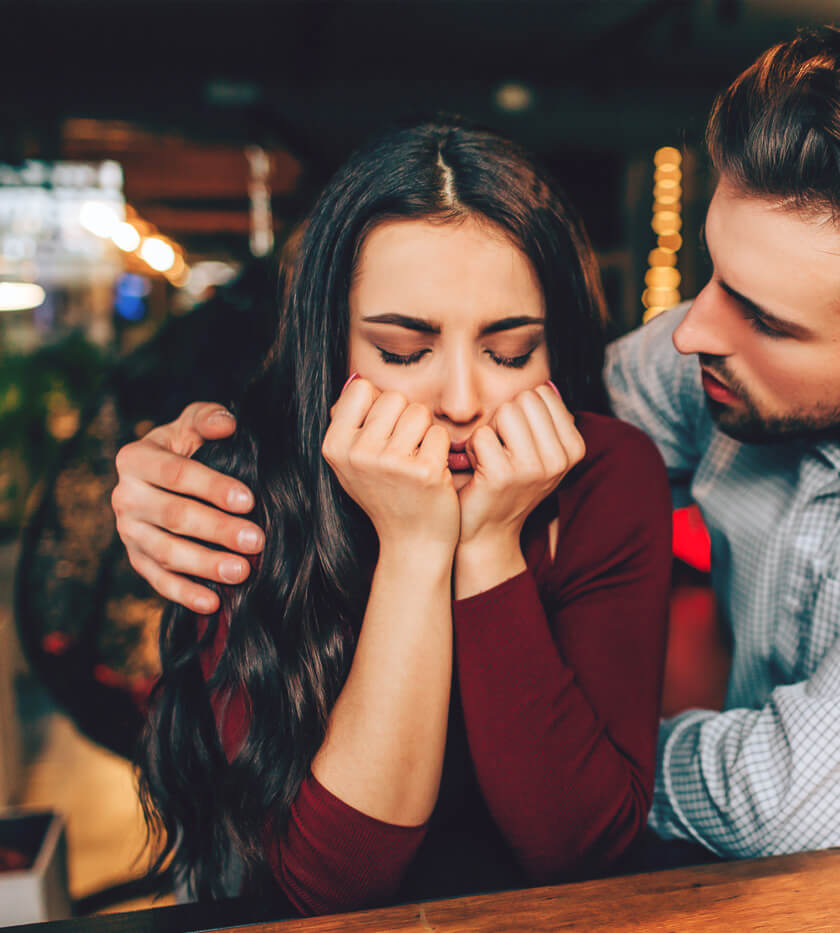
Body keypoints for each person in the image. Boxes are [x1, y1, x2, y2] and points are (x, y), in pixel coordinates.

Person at [115, 22, 840, 862]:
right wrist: (178, 473)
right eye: (714, 273)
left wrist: (526, 750)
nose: (692, 332)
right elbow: (502, 406)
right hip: (724, 882)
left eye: (765, 318)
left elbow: (796, 801)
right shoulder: (714, 362)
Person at [131, 122, 672, 914]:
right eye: (403, 350)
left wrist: (487, 543)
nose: (461, 400)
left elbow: (583, 847)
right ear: (332, 343)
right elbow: (330, 888)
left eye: (512, 352)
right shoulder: (247, 486)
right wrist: (416, 547)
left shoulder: (609, 471)